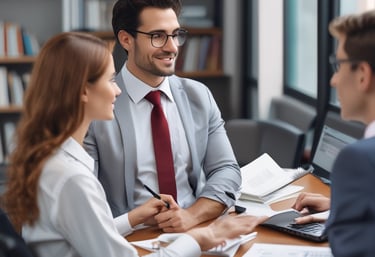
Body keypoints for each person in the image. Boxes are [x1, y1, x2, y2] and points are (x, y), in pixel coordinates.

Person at [1, 32, 266, 257]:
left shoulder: (52, 159)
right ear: (83, 91)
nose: (117, 90)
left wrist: (134, 218)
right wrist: (204, 237)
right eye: (109, 80)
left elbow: (87, 233)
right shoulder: (72, 179)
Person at [84, 0, 241, 232]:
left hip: (194, 230)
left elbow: (226, 169)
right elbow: (85, 195)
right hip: (129, 238)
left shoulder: (198, 96)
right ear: (126, 39)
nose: (172, 47)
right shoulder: (99, 105)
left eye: (175, 34)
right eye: (158, 36)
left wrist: (192, 216)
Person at [293, 10, 375, 257]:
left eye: (338, 66)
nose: (333, 80)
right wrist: (342, 206)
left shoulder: (359, 160)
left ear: (362, 74)